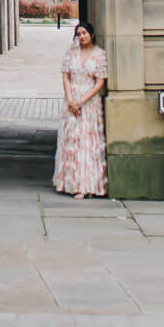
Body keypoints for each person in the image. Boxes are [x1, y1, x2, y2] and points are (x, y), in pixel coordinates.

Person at [53, 18, 108, 198]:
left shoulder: (100, 55)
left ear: (91, 34)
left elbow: (99, 83)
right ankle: (71, 183)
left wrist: (81, 101)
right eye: (78, 34)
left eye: (84, 33)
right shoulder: (71, 53)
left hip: (89, 102)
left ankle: (87, 186)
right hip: (72, 100)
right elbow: (66, 77)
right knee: (71, 140)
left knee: (87, 143)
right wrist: (71, 100)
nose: (82, 37)